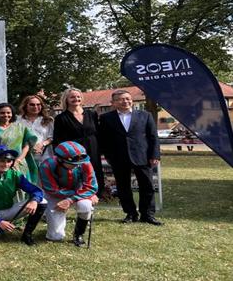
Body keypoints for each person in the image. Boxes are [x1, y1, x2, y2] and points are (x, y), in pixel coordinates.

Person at [98, 89, 162, 225]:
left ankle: (147, 214)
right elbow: (103, 139)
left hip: (142, 156)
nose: (125, 101)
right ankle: (131, 213)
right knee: (123, 188)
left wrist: (155, 154)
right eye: (121, 99)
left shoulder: (145, 115)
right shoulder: (106, 118)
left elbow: (153, 137)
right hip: (118, 158)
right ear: (113, 103)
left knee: (147, 186)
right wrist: (109, 156)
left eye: (127, 98)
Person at [0, 146, 46, 246]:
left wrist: (34, 200)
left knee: (42, 202)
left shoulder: (15, 174)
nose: (6, 164)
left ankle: (27, 235)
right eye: (2, 161)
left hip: (9, 210)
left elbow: (36, 190)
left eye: (9, 161)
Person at [39, 141, 99, 246]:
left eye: (80, 162)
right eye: (72, 164)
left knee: (85, 205)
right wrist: (86, 193)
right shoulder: (46, 166)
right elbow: (52, 190)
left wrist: (71, 199)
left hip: (77, 194)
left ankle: (78, 234)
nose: (77, 165)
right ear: (60, 159)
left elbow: (92, 186)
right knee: (55, 237)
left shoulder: (85, 163)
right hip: (55, 195)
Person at [53, 88, 105, 198]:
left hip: (93, 149)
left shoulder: (92, 114)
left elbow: (98, 133)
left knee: (94, 173)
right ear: (66, 99)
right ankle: (79, 198)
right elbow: (58, 139)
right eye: (72, 97)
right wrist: (61, 156)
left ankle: (94, 197)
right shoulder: (61, 118)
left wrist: (102, 149)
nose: (76, 99)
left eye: (78, 96)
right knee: (77, 175)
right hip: (74, 152)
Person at [0, 103, 39, 184]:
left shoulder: (20, 127)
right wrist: (4, 160)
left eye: (8, 113)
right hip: (1, 163)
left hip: (20, 162)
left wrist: (19, 159)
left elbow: (27, 144)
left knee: (22, 188)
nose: (6, 115)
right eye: (2, 113)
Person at [17, 95, 54, 165]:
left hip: (44, 155)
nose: (35, 107)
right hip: (24, 155)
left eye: (38, 104)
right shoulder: (18, 120)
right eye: (32, 104)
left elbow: (51, 137)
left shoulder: (48, 120)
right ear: (25, 106)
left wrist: (42, 144)